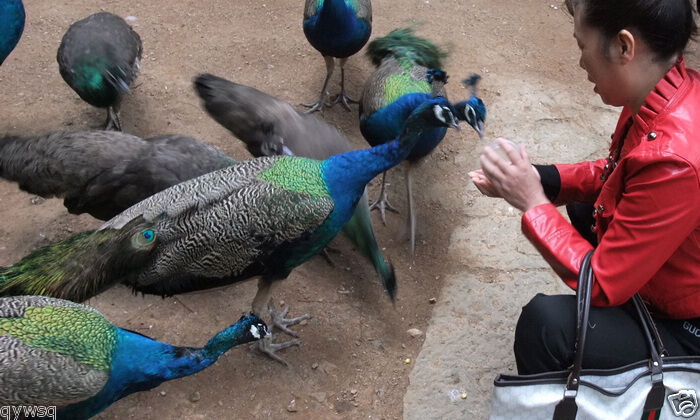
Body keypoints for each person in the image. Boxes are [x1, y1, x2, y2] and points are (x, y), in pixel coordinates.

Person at [469, 0, 700, 374]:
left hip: (688, 328)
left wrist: (532, 202)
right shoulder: (667, 92)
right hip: (668, 278)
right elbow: (617, 175)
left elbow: (604, 282)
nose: (580, 63)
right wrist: (539, 177)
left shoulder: (674, 161)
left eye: (581, 46)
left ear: (624, 47)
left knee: (545, 327)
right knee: (587, 206)